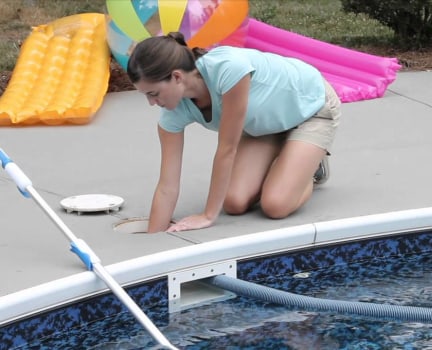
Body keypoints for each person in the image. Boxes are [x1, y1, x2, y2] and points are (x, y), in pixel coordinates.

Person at [127, 32, 341, 233]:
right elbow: (167, 185)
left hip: (311, 107)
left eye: (153, 94)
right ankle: (289, 158)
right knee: (234, 202)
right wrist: (154, 237)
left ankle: (311, 168)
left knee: (276, 205)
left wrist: (208, 216)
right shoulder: (171, 114)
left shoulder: (228, 70)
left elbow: (227, 149)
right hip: (265, 126)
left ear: (176, 77)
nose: (151, 103)